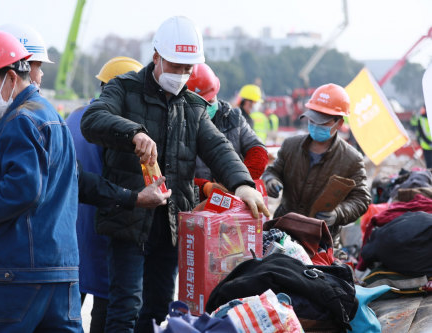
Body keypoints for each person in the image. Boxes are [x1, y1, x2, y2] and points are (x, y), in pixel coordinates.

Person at [80, 16, 269, 333]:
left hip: (169, 226)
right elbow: (93, 119)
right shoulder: (124, 89)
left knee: (158, 311)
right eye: (175, 65)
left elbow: (219, 148)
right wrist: (133, 133)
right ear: (156, 57)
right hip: (129, 219)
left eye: (187, 68)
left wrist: (243, 185)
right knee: (124, 309)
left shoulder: (192, 107)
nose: (181, 74)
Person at [0, 30, 83, 332]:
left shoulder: (21, 120)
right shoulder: (54, 118)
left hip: (16, 272)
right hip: (62, 274)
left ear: (10, 77)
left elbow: (22, 189)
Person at [67, 56, 143, 333]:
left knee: (67, 308)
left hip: (72, 225)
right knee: (109, 304)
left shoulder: (74, 116)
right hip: (106, 222)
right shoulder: (120, 130)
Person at [263, 83, 370, 244]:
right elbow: (273, 171)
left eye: (322, 121)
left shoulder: (351, 159)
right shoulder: (290, 146)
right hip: (283, 233)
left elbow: (361, 199)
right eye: (313, 119)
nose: (315, 125)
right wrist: (271, 180)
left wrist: (338, 213)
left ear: (339, 123)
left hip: (321, 240)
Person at [186, 63, 268, 199]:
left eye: (209, 100)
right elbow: (173, 174)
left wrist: (239, 182)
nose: (205, 107)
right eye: (200, 104)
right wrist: (205, 188)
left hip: (233, 199)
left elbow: (258, 150)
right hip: (193, 204)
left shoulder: (234, 118)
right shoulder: (179, 123)